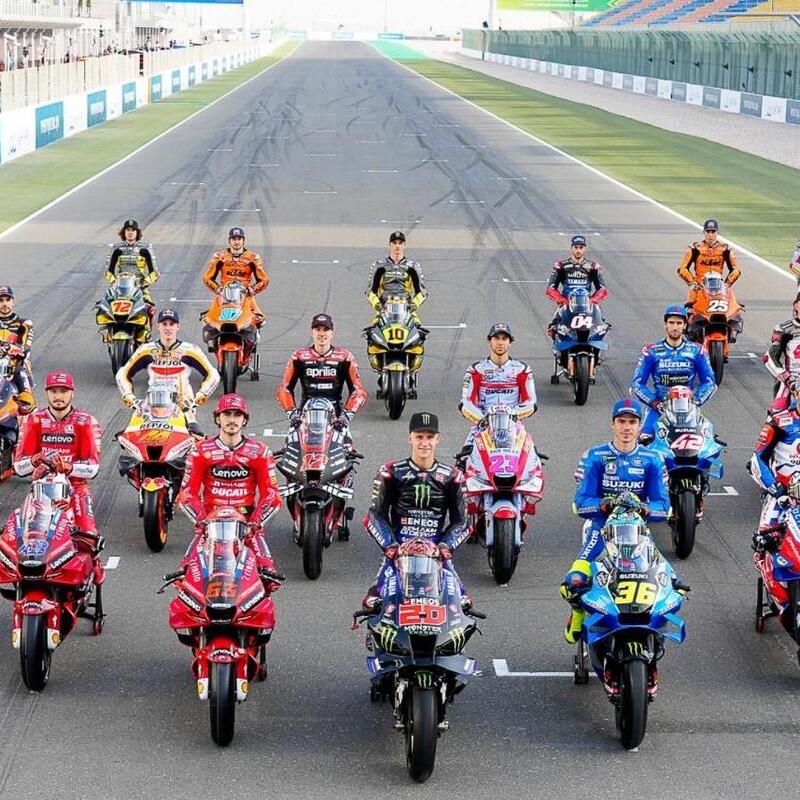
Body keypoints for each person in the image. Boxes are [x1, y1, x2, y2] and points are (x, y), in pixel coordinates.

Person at [560, 399, 670, 643]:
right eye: (621, 421)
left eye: (632, 422)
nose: (627, 427)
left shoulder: (653, 459)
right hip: (600, 530)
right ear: (613, 424)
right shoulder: (594, 456)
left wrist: (644, 508)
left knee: (670, 585)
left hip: (638, 534)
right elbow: (580, 503)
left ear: (640, 426)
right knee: (572, 583)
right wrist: (604, 504)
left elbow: (664, 506)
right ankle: (578, 614)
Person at [362, 412, 470, 611]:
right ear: (410, 438)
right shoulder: (390, 472)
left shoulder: (453, 476)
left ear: (437, 439)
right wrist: (390, 546)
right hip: (398, 550)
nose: (424, 443)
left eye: (430, 437)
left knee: (463, 603)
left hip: (436, 552)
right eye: (419, 436)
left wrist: (445, 547)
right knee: (373, 602)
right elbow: (374, 516)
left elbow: (463, 521)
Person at [13, 371, 104, 584]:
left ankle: (94, 569)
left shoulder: (85, 422)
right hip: (41, 490)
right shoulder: (34, 419)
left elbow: (93, 468)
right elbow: (18, 467)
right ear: (46, 393)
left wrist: (69, 468)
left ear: (72, 393)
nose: (58, 396)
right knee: (18, 537)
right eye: (54, 391)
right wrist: (34, 460)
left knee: (88, 537)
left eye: (63, 391)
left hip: (76, 489)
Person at [177, 393, 281, 577]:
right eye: (227, 414)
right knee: (184, 575)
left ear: (244, 419)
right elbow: (187, 494)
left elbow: (271, 496)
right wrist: (202, 522)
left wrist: (255, 524)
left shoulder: (260, 452)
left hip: (247, 526)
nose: (232, 420)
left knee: (269, 575)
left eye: (237, 414)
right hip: (210, 526)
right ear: (218, 418)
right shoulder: (200, 451)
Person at [116, 308, 219, 435]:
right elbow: (122, 374)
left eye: (172, 324)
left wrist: (200, 396)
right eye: (164, 324)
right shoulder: (146, 350)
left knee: (191, 439)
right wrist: (129, 397)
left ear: (178, 327)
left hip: (184, 408)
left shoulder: (190, 350)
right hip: (152, 407)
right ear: (158, 326)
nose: (168, 328)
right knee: (132, 438)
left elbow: (213, 374)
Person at [630, 305, 716, 440]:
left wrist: (696, 401)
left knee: (708, 441)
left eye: (679, 323)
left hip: (688, 409)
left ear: (685, 325)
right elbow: (637, 384)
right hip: (659, 409)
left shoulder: (697, 350)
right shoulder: (651, 351)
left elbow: (710, 382)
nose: (675, 327)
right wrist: (655, 403)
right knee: (644, 439)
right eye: (671, 323)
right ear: (665, 324)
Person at [457, 322, 537, 465]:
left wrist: (512, 415)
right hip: (482, 426)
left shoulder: (522, 369)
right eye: (496, 338)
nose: (500, 342)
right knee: (463, 462)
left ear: (510, 342)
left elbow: (531, 402)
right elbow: (465, 403)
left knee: (532, 463)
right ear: (489, 341)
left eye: (504, 339)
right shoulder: (476, 369)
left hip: (514, 427)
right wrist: (483, 420)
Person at [276, 313, 367, 429]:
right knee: (291, 441)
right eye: (317, 329)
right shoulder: (298, 357)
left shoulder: (345, 358)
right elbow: (284, 389)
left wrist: (346, 416)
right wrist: (292, 413)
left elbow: (358, 391)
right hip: (304, 419)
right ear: (312, 332)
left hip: (337, 420)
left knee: (346, 442)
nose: (322, 334)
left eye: (326, 330)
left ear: (332, 333)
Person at [202, 226, 268, 356]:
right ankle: (215, 343)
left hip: (245, 296)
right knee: (208, 318)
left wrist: (250, 290)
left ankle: (251, 343)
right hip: (224, 295)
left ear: (243, 241)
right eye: (234, 239)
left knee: (260, 319)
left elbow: (264, 280)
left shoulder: (253, 258)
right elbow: (207, 278)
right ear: (229, 241)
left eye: (239, 239)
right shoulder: (219, 257)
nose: (236, 242)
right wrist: (218, 289)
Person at [749, 399, 800, 551]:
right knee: (764, 540)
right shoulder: (778, 422)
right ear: (796, 393)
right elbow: (757, 460)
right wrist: (776, 490)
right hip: (784, 495)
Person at [545, 234, 607, 340]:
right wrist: (562, 300)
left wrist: (593, 300)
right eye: (576, 247)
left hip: (586, 304)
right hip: (567, 303)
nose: (578, 250)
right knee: (554, 325)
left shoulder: (593, 267)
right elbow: (551, 288)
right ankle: (557, 342)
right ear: (571, 248)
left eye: (581, 247)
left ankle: (596, 342)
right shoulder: (561, 266)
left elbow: (602, 289)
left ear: (585, 248)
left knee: (601, 323)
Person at [105, 219, 159, 327]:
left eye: (133, 230)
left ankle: (146, 333)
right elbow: (108, 272)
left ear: (137, 232)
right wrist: (114, 283)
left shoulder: (146, 248)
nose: (130, 233)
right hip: (120, 288)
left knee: (150, 309)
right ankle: (110, 332)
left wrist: (144, 284)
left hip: (140, 288)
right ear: (124, 232)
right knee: (106, 308)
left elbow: (154, 272)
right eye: (128, 230)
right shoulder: (116, 248)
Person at [366, 230, 427, 323]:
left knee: (418, 328)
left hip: (407, 311)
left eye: (400, 243)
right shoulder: (379, 265)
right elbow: (370, 292)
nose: (397, 246)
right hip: (384, 312)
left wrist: (414, 304)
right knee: (373, 328)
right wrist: (377, 305)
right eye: (394, 243)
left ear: (404, 245)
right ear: (389, 245)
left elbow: (422, 292)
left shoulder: (413, 266)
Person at [677, 218, 740, 307]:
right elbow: (682, 269)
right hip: (699, 287)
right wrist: (693, 284)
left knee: (733, 308)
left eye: (713, 231)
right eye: (708, 231)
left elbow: (736, 270)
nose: (710, 235)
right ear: (704, 232)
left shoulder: (725, 249)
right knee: (689, 308)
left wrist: (726, 285)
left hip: (718, 288)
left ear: (717, 232)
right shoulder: (695, 248)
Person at [763, 292, 800, 413]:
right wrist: (787, 379)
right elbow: (769, 357)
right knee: (775, 413)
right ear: (796, 305)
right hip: (791, 381)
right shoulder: (783, 329)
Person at [0, 286, 35, 412]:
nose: (4, 303)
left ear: (13, 301)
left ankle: (26, 398)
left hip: (13, 364)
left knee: (22, 368)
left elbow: (25, 348)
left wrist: (12, 348)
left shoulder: (24, 324)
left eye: (7, 300)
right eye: (1, 300)